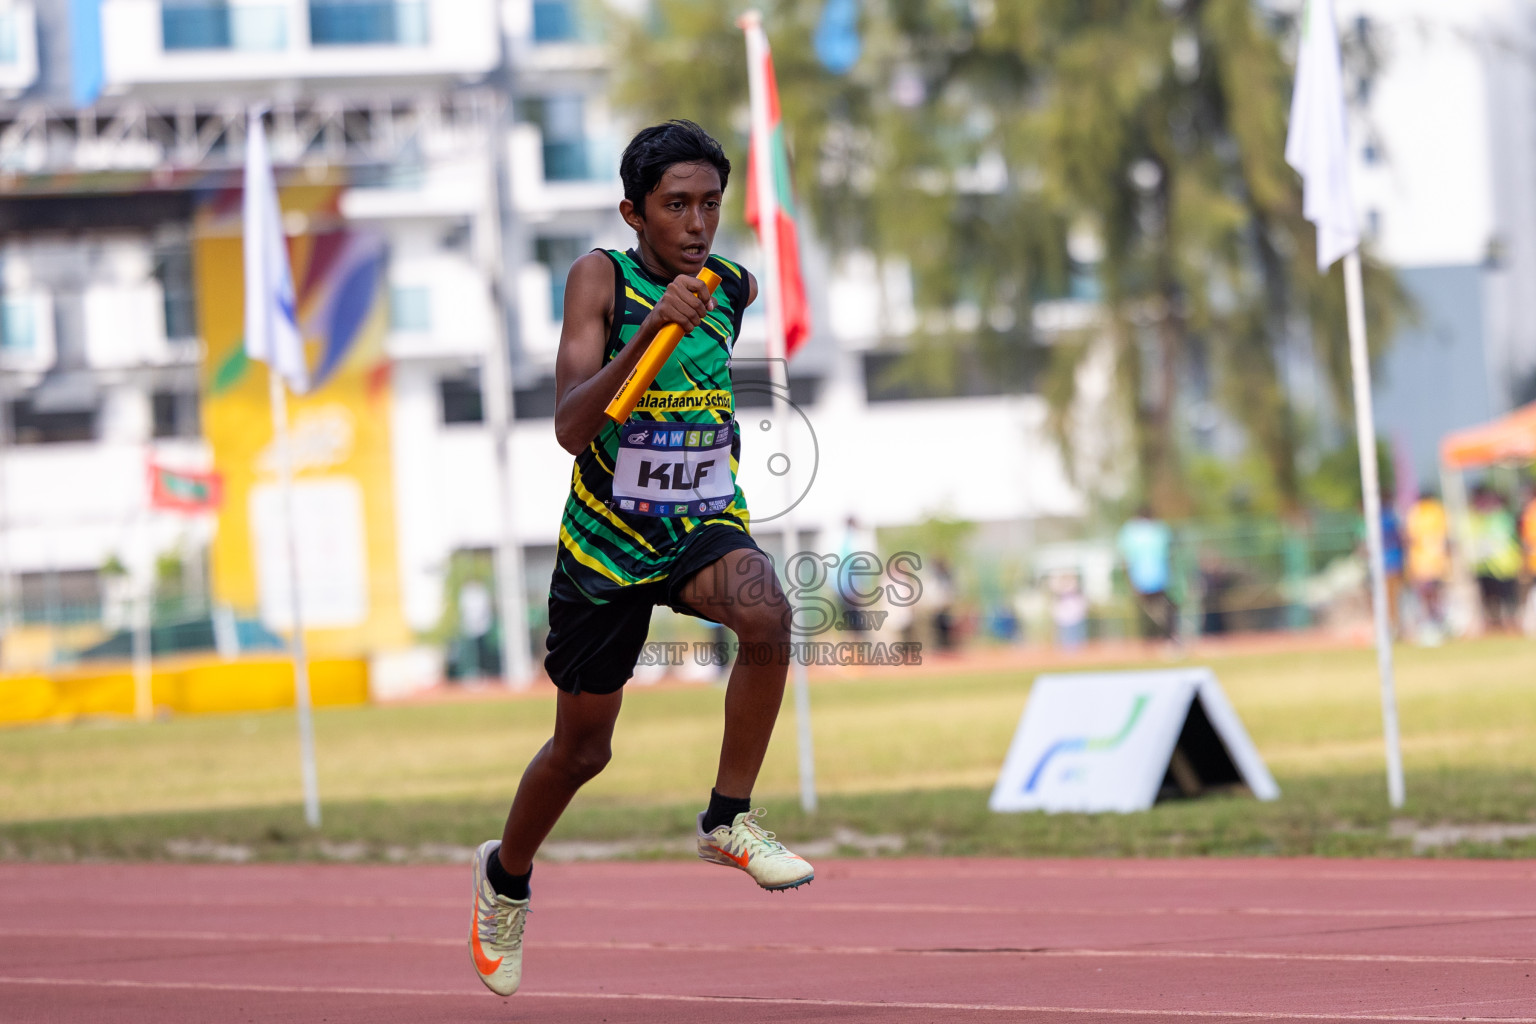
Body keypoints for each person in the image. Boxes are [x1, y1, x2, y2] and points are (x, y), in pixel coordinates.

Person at [469, 121, 813, 999]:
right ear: (634, 212)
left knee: (769, 610)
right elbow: (571, 428)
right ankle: (506, 877)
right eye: (676, 206)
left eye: (710, 204)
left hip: (698, 522)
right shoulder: (600, 278)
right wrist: (649, 330)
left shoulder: (734, 286)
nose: (697, 223)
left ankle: (727, 819)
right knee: (583, 751)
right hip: (606, 545)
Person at [1116, 506, 1176, 642]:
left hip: (1141, 579)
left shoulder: (1129, 531)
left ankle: (1153, 639)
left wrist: (1130, 581)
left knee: (1146, 611)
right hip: (1159, 577)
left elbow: (1125, 559)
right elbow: (1168, 555)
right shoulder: (1160, 529)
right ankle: (1166, 637)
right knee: (1164, 608)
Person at [1469, 485, 1521, 632]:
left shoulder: (1504, 518)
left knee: (1508, 598)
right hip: (1489, 566)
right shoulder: (1483, 519)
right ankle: (1496, 626)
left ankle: (1510, 625)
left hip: (1505, 566)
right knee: (1492, 599)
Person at [1404, 490, 1450, 638]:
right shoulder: (1431, 511)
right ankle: (1432, 621)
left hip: (1425, 560)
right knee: (1431, 593)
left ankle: (1433, 621)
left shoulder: (1418, 512)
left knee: (1428, 593)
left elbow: (1409, 537)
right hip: (1430, 560)